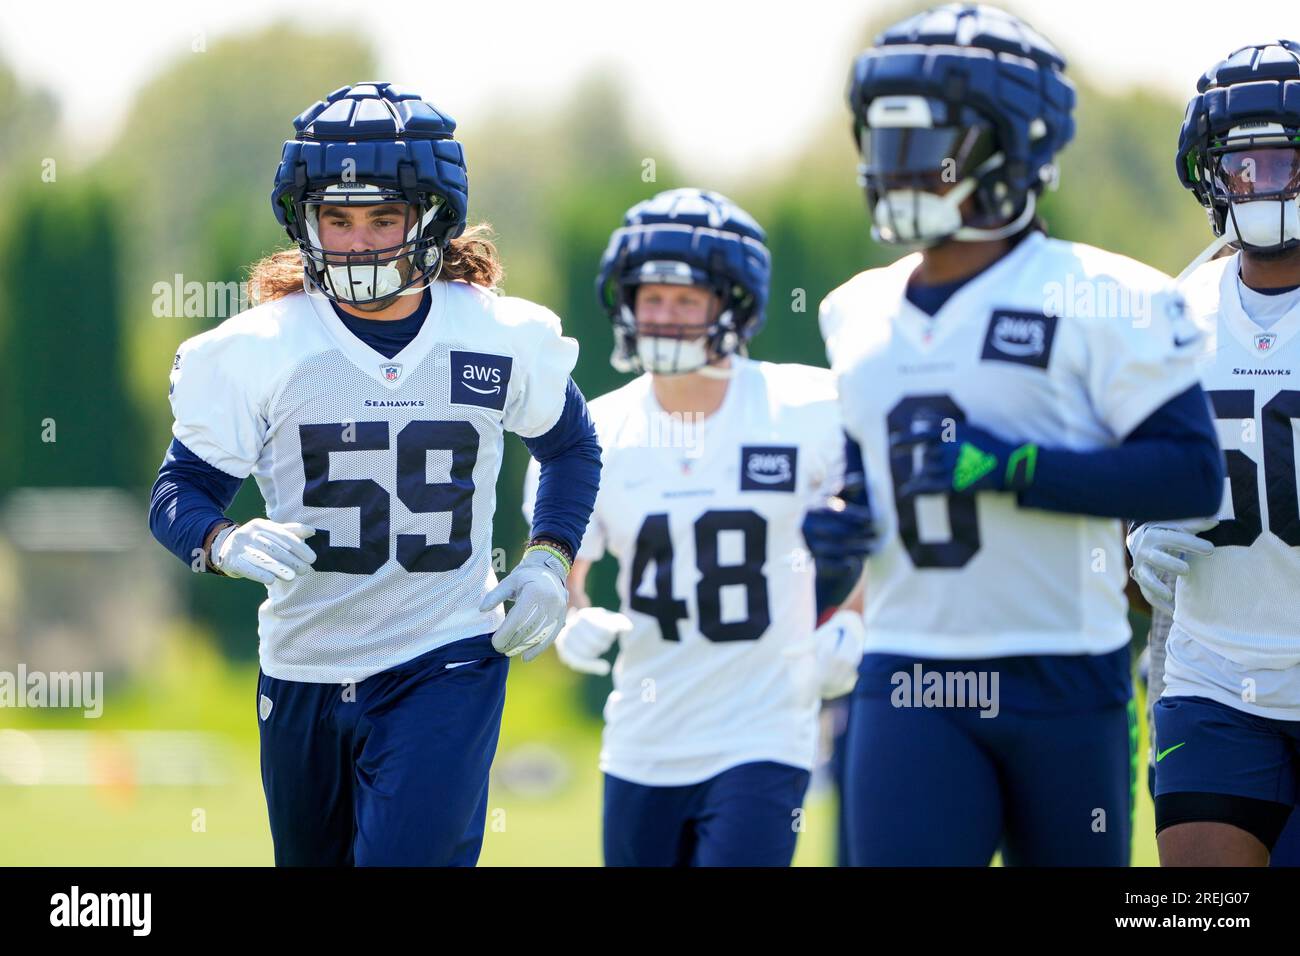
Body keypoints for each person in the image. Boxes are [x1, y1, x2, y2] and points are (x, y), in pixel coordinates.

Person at [148, 82, 601, 866]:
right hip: (303, 669)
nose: (358, 242)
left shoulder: (493, 335)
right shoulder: (259, 348)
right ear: (305, 222)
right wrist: (220, 540)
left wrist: (548, 558)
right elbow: (176, 493)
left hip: (445, 655)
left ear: (431, 218)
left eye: (383, 217)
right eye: (337, 218)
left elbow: (571, 446)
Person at [823, 4, 1224, 866]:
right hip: (911, 673)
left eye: (928, 142)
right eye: (885, 141)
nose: (899, 168)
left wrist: (1015, 469)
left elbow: (1192, 476)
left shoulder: (1110, 294)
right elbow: (868, 480)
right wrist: (834, 527)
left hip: (1063, 675)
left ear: (1013, 145)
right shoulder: (853, 309)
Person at [524, 187, 866, 866]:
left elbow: (878, 532)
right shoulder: (595, 433)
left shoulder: (809, 409)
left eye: (686, 301)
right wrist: (570, 622)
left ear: (731, 305)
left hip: (766, 733)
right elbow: (565, 573)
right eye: (651, 298)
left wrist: (854, 619)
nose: (664, 316)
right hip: (643, 738)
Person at [1128, 39, 1300, 866]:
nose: (1259, 184)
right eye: (1242, 164)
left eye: (1282, 161)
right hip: (1213, 673)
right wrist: (1127, 537)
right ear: (1210, 174)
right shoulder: (1168, 314)